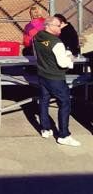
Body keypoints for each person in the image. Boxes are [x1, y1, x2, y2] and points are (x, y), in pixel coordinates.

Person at [33, 16, 80, 145]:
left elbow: (37, 55)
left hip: (42, 74)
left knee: (44, 101)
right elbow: (63, 63)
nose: (60, 28)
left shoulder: (37, 37)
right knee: (65, 103)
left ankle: (45, 128)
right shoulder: (57, 43)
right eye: (58, 25)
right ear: (49, 26)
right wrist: (70, 58)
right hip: (55, 77)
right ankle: (64, 135)